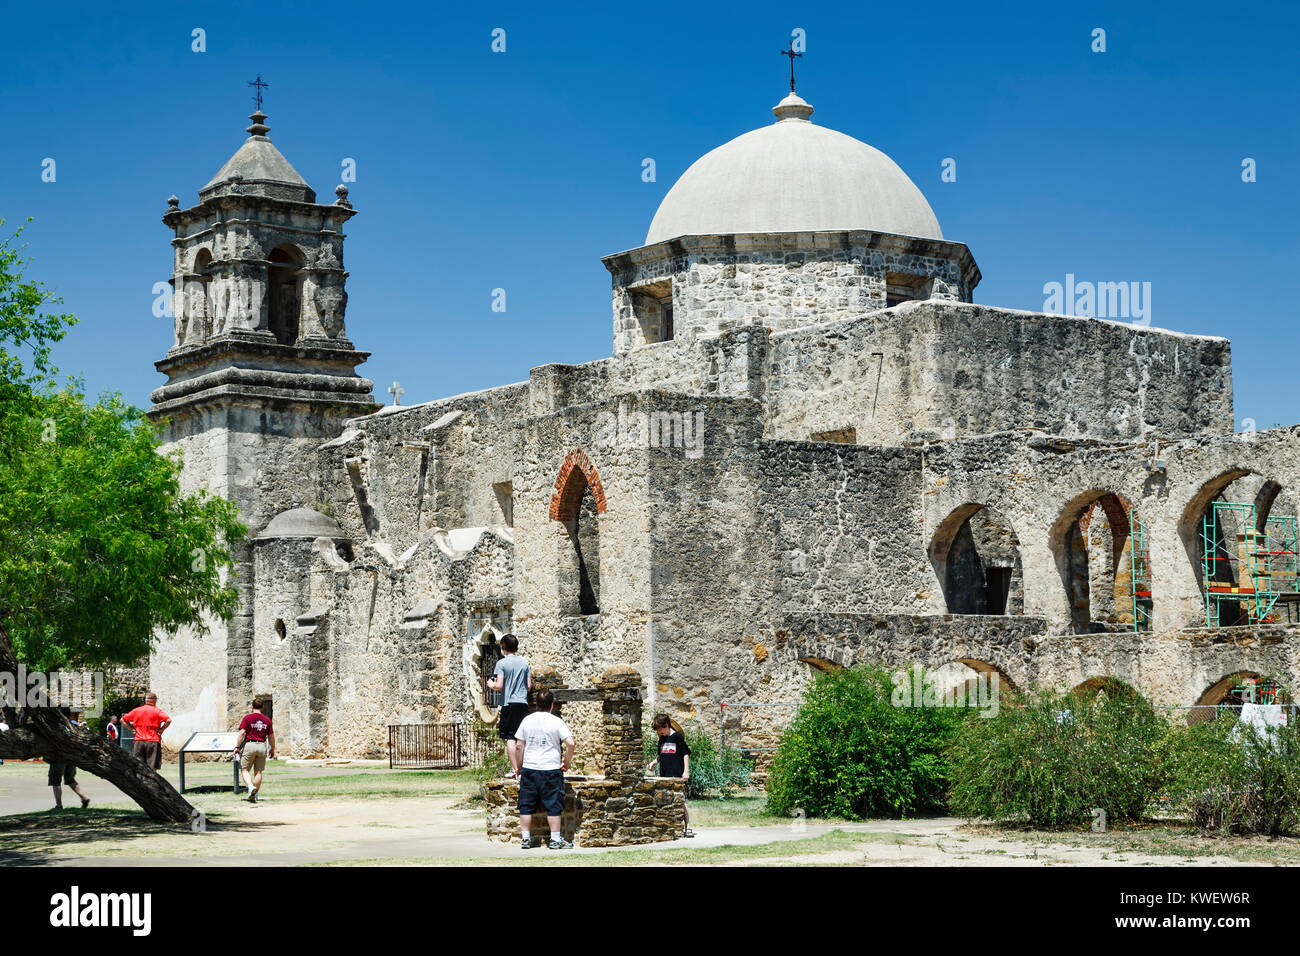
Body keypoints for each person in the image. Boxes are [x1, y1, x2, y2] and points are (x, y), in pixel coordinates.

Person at [514, 688, 575, 850]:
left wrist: (519, 767)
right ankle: (555, 840)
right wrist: (566, 762)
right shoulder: (556, 721)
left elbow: (519, 746)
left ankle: (525, 839)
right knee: (554, 804)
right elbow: (571, 743)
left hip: (530, 767)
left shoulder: (527, 720)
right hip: (551, 768)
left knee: (525, 804)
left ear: (535, 704)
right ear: (552, 705)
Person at [485, 634, 530, 778]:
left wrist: (491, 685)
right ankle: (522, 770)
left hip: (509, 703)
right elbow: (528, 686)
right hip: (522, 703)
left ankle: (514, 769)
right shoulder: (524, 663)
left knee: (510, 737)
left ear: (503, 647)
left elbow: (499, 685)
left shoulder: (501, 663)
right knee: (521, 738)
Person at [646, 713, 693, 837]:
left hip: (677, 774)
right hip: (664, 775)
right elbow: (661, 756)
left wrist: (686, 771)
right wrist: (653, 763)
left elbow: (685, 754)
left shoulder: (677, 737)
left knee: (681, 801)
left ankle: (688, 826)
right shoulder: (662, 739)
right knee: (666, 801)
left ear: (666, 725)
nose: (659, 732)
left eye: (660, 729)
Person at [232, 696, 275, 803]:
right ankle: (255, 795)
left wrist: (237, 747)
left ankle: (251, 787)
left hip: (249, 745)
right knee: (258, 771)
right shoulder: (267, 720)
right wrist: (272, 748)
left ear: (252, 706)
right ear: (262, 707)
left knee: (245, 769)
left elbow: (242, 733)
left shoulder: (247, 718)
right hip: (262, 746)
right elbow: (271, 736)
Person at [47, 707, 90, 810]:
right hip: (71, 757)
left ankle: (59, 805)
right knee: (70, 779)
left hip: (58, 757)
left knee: (56, 782)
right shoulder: (74, 724)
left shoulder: (55, 726)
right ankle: (84, 798)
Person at [121, 693, 171, 770]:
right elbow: (168, 720)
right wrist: (161, 729)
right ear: (154, 700)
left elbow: (122, 720)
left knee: (138, 766)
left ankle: (139, 781)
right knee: (152, 767)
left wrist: (132, 729)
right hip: (153, 740)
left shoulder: (137, 710)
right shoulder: (157, 711)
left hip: (139, 740)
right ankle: (151, 781)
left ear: (146, 700)